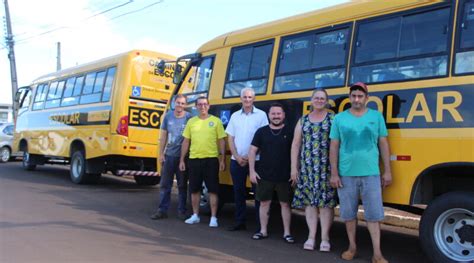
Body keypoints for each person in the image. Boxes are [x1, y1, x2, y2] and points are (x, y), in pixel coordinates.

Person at [329, 82, 392, 263]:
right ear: (350, 98)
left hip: (371, 174)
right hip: (345, 174)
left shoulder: (376, 117)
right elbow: (334, 146)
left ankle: (377, 254)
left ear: (367, 98)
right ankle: (352, 248)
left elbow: (383, 144)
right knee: (348, 215)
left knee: (374, 215)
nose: (357, 99)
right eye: (354, 96)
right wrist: (334, 173)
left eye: (360, 96)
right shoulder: (339, 119)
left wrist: (387, 171)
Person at [291, 88, 338, 251]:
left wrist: (335, 171)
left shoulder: (333, 118)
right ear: (311, 100)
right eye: (316, 98)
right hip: (308, 168)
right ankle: (311, 236)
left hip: (326, 168)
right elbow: (296, 144)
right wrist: (294, 168)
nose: (319, 100)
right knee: (310, 203)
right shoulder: (303, 120)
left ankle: (325, 238)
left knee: (326, 204)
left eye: (322, 98)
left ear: (326, 101)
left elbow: (338, 143)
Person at [249, 103, 295, 243]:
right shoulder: (261, 132)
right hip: (264, 175)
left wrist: (295, 170)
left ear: (283, 115)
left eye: (278, 113)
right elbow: (252, 151)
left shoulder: (290, 131)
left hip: (285, 175)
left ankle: (287, 233)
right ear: (269, 115)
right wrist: (252, 171)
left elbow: (296, 151)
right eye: (273, 114)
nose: (276, 116)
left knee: (285, 204)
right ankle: (263, 231)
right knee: (264, 203)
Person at [226, 87, 268, 232]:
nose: (247, 100)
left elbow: (264, 138)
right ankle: (239, 222)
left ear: (254, 99)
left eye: (250, 97)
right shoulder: (235, 116)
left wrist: (249, 157)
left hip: (256, 161)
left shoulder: (262, 115)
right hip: (236, 160)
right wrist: (237, 156)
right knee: (238, 192)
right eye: (245, 97)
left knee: (258, 193)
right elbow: (230, 138)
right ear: (241, 98)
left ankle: (259, 225)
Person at [179, 96, 226, 227]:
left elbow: (221, 140)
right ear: (196, 107)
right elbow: (186, 141)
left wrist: (222, 159)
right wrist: (182, 159)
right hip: (194, 160)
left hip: (211, 160)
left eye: (205, 104)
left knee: (213, 189)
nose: (202, 107)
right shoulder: (191, 122)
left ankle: (214, 217)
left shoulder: (216, 121)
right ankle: (195, 215)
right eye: (200, 104)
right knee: (194, 189)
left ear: (209, 106)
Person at [151, 95, 191, 220]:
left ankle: (182, 212)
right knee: (165, 185)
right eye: (178, 102)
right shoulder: (168, 116)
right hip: (169, 156)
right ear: (174, 103)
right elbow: (163, 136)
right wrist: (161, 153)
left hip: (183, 158)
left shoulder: (189, 118)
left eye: (183, 103)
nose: (180, 105)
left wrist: (184, 158)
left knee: (182, 186)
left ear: (185, 105)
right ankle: (162, 210)